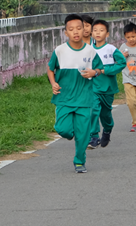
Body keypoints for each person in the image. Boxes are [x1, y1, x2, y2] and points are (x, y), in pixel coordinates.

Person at [47, 14, 104, 174]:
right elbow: (50, 68)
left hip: (84, 100)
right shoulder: (60, 51)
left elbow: (99, 69)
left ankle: (80, 161)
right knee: (62, 129)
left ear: (85, 29)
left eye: (79, 28)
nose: (76, 32)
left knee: (83, 135)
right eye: (71, 29)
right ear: (66, 32)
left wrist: (94, 72)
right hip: (64, 98)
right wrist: (53, 83)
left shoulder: (91, 51)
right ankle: (71, 132)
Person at [88, 19, 127, 149]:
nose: (98, 33)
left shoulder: (111, 49)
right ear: (91, 33)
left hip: (107, 88)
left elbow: (122, 63)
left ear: (107, 34)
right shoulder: (87, 50)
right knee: (93, 110)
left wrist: (105, 70)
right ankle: (93, 136)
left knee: (105, 114)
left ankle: (107, 130)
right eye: (95, 30)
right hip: (92, 87)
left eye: (101, 30)